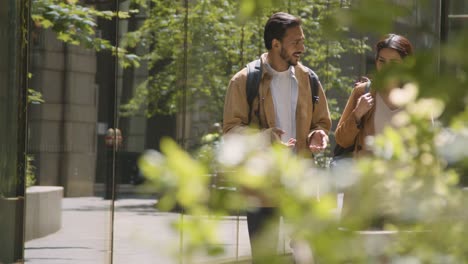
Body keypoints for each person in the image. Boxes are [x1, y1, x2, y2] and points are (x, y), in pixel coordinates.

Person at [222, 12, 331, 262]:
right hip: (261, 188)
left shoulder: (309, 79)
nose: (302, 48)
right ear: (276, 44)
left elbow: (321, 122)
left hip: (300, 185)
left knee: (306, 257)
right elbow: (230, 133)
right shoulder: (244, 81)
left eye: (302, 41)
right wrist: (264, 138)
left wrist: (318, 135)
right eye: (296, 42)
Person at [334, 33, 414, 158]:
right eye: (382, 61)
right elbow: (342, 140)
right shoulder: (363, 91)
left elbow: (429, 144)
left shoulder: (416, 97)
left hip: (405, 175)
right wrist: (357, 114)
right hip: (369, 174)